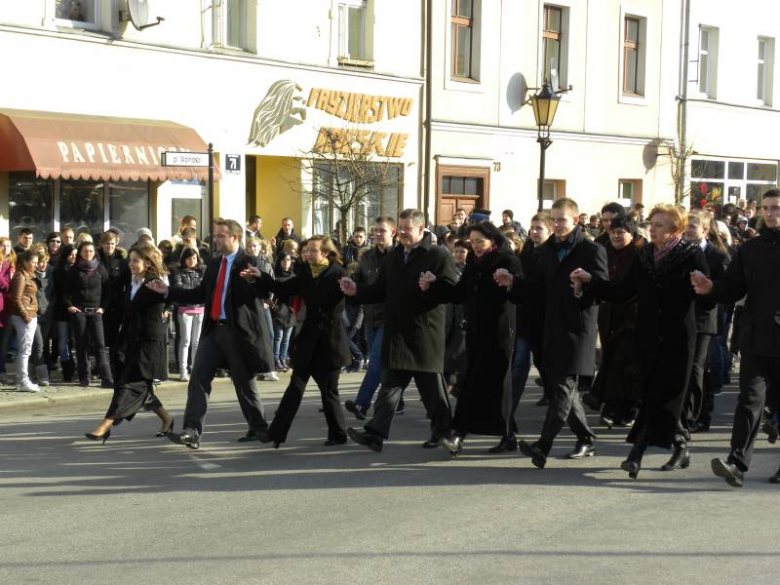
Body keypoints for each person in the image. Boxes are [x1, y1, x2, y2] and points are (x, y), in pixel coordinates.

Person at [572, 204, 708, 479]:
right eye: (652, 223)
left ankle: (635, 455)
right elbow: (622, 291)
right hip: (646, 336)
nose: (652, 228)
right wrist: (591, 282)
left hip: (678, 337)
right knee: (652, 394)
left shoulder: (691, 254)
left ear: (675, 228)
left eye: (659, 224)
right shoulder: (644, 254)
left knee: (664, 395)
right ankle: (681, 444)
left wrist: (705, 288)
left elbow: (707, 296)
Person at [495, 198, 606, 468]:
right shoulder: (546, 251)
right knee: (562, 388)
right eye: (553, 220)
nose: (556, 225)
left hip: (578, 329)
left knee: (562, 388)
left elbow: (603, 289)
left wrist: (585, 286)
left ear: (576, 220)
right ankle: (586, 438)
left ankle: (542, 446)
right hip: (552, 327)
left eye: (562, 220)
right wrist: (514, 283)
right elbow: (536, 287)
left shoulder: (591, 250)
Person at [147, 218, 274, 450]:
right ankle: (192, 431)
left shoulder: (250, 261)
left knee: (244, 383)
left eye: (220, 236)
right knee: (198, 378)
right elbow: (199, 294)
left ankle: (259, 427)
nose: (215, 239)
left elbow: (266, 291)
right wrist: (169, 291)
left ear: (235, 237)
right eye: (215, 235)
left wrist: (258, 278)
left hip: (238, 333)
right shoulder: (214, 264)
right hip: (214, 329)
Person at [340, 209, 457, 452]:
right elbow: (380, 290)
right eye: (400, 228)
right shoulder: (394, 256)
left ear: (422, 229)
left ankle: (448, 434)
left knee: (433, 393)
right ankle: (375, 434)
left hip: (423, 335)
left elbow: (450, 291)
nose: (402, 232)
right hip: (396, 334)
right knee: (389, 387)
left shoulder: (437, 256)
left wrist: (432, 286)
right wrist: (357, 291)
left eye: (407, 228)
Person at [691, 188, 780, 486]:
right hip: (756, 339)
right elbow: (734, 287)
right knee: (750, 400)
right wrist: (711, 288)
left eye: (776, 208)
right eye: (766, 208)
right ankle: (736, 463)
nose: (770, 213)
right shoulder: (750, 250)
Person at [421, 222, 521, 455]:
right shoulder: (473, 264)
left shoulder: (508, 261)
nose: (475, 246)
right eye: (472, 241)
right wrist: (435, 286)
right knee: (478, 385)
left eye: (480, 241)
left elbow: (521, 293)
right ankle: (502, 435)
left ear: (493, 241)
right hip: (475, 333)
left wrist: (511, 283)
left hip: (499, 334)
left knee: (488, 385)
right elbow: (458, 294)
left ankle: (462, 434)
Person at [246, 236, 352, 447]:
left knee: (329, 390)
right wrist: (261, 276)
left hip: (331, 340)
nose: (307, 254)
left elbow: (347, 299)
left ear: (325, 253)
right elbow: (283, 287)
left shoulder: (338, 274)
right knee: (295, 386)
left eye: (312, 250)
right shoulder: (305, 272)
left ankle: (338, 434)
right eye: (306, 251)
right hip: (309, 339)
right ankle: (275, 433)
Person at [85, 243, 175, 444]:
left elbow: (168, 299)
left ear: (148, 262)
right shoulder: (131, 281)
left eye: (136, 260)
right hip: (129, 339)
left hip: (149, 342)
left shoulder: (154, 282)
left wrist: (167, 307)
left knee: (130, 384)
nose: (131, 264)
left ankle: (106, 424)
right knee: (138, 385)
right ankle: (167, 418)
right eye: (130, 260)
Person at [582, 216, 645, 429]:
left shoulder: (641, 253)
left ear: (632, 233)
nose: (617, 236)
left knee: (627, 364)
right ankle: (611, 405)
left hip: (634, 315)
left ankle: (623, 408)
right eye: (613, 232)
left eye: (621, 232)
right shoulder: (604, 250)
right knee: (612, 359)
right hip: (609, 312)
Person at [679, 210, 730, 449]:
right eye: (686, 225)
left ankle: (697, 415)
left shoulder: (717, 256)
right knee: (686, 369)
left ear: (705, 230)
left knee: (696, 369)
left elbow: (726, 288)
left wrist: (708, 289)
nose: (689, 229)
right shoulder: (680, 251)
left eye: (694, 226)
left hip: (704, 319)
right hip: (681, 317)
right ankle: (692, 412)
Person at [343, 217, 398, 420]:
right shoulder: (367, 257)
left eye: (382, 231)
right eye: (375, 230)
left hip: (390, 318)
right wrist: (350, 281)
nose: (377, 234)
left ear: (393, 232)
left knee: (375, 361)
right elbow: (360, 279)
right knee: (385, 364)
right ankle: (396, 400)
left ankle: (361, 404)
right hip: (370, 317)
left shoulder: (398, 256)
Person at [511, 212, 552, 419]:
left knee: (545, 362)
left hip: (546, 319)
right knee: (519, 364)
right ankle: (507, 413)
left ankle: (554, 398)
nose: (534, 232)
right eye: (532, 228)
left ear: (549, 230)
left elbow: (544, 287)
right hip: (526, 318)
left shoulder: (553, 253)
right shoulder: (526, 253)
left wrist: (519, 284)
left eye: (539, 228)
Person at [64, 241, 113, 388]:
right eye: (85, 251)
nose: (88, 254)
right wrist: (70, 306)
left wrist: (103, 308)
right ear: (80, 253)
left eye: (91, 251)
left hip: (96, 312)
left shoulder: (100, 269)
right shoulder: (74, 270)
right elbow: (65, 292)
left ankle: (106, 378)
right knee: (81, 345)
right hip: (80, 312)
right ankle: (84, 377)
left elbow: (108, 291)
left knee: (100, 344)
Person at [171, 248, 204, 382]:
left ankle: (195, 368)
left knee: (196, 342)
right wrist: (194, 293)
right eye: (190, 258)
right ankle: (183, 371)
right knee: (185, 341)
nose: (192, 261)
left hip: (200, 309)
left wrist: (196, 294)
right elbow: (179, 288)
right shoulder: (178, 272)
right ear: (184, 259)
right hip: (185, 309)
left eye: (195, 258)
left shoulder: (201, 272)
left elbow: (204, 288)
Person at [10, 249, 40, 392]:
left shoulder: (28, 275)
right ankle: (23, 381)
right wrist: (26, 315)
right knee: (25, 350)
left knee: (25, 350)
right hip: (24, 316)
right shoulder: (20, 276)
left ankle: (20, 380)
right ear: (25, 262)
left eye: (36, 262)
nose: (36, 265)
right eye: (33, 262)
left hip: (30, 314)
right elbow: (16, 298)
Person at [97, 230, 129, 362]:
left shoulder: (122, 261)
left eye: (112, 243)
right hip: (99, 302)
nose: (109, 246)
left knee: (115, 336)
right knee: (100, 336)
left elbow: (127, 282)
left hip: (116, 303)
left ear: (116, 243)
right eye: (106, 244)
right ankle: (100, 364)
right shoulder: (96, 258)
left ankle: (113, 364)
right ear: (102, 244)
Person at [51, 244, 77, 382]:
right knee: (62, 341)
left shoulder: (80, 269)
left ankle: (75, 368)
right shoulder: (58, 271)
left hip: (77, 310)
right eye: (70, 254)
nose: (73, 257)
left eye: (75, 254)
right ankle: (67, 368)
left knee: (75, 340)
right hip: (61, 310)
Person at [30, 245, 53, 387]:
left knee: (40, 345)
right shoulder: (31, 276)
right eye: (39, 261)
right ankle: (43, 375)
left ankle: (29, 371)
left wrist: (51, 307)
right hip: (35, 316)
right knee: (38, 345)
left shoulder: (51, 275)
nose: (42, 264)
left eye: (44, 261)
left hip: (47, 315)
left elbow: (54, 294)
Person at [271, 251, 295, 372]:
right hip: (279, 310)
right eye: (284, 260)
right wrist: (274, 309)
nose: (286, 262)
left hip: (291, 311)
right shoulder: (275, 276)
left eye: (288, 260)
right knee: (278, 337)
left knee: (286, 338)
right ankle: (276, 360)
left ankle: (283, 358)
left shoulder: (293, 276)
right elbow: (271, 296)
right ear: (279, 261)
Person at [0, 238, 16, 385]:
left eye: (8, 246)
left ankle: (2, 371)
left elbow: (7, 286)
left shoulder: (11, 265)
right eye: (3, 245)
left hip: (7, 308)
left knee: (3, 343)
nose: (5, 248)